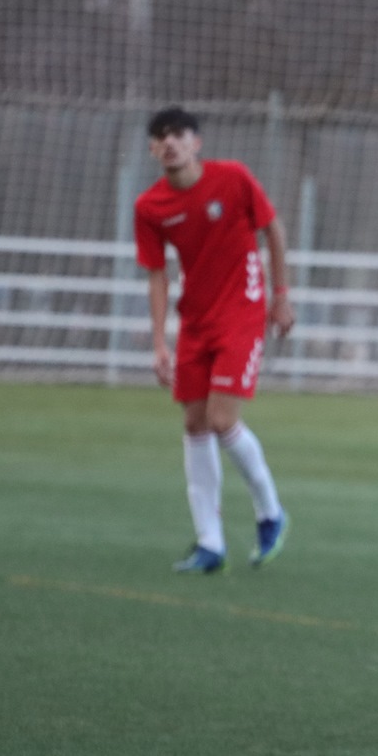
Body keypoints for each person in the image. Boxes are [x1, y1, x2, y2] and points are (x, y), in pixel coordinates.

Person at [134, 106, 293, 574]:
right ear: (152, 149)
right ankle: (210, 544)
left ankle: (271, 513)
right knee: (194, 425)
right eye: (161, 137)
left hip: (241, 313)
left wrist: (280, 296)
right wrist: (160, 343)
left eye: (178, 134)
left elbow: (273, 229)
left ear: (196, 142)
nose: (170, 143)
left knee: (222, 418)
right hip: (196, 321)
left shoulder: (233, 178)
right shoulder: (150, 207)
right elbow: (157, 275)